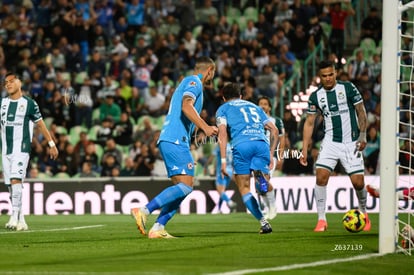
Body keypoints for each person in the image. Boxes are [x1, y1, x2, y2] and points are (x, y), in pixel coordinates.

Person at [131, 56, 217, 239]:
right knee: (186, 186)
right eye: (213, 73)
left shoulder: (186, 82)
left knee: (181, 188)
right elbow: (187, 106)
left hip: (174, 139)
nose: (212, 78)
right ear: (209, 70)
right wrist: (206, 127)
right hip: (175, 139)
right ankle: (144, 210)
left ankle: (158, 228)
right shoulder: (195, 81)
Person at [299, 60, 371, 232]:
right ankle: (321, 220)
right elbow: (309, 123)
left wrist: (363, 135)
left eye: (331, 74)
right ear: (320, 77)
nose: (328, 78)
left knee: (358, 182)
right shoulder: (316, 96)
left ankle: (364, 213)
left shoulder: (348, 88)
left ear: (335, 73)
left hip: (351, 142)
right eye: (324, 76)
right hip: (331, 141)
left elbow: (361, 110)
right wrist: (304, 148)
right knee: (321, 177)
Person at [216, 83, 278, 234]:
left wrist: (223, 161)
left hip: (242, 145)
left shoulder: (223, 109)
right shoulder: (255, 107)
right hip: (261, 144)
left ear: (224, 98)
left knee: (244, 188)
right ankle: (262, 185)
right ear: (241, 96)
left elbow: (222, 135)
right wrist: (270, 153)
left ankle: (264, 222)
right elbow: (274, 131)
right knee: (261, 182)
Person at [2, 72, 59, 231]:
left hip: (21, 149)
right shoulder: (2, 103)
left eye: (12, 81)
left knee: (15, 180)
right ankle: (21, 219)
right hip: (5, 151)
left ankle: (13, 217)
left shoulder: (29, 104)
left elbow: (41, 125)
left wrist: (51, 143)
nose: (8, 84)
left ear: (20, 83)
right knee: (11, 186)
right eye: (6, 82)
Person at [257, 96, 285, 220]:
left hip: (270, 155)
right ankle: (268, 208)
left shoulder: (276, 121)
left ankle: (273, 207)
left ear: (269, 107)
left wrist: (280, 157)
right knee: (259, 185)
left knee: (264, 181)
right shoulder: (254, 120)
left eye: (265, 104)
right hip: (256, 155)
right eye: (260, 104)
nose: (262, 106)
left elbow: (282, 140)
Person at [212, 143, 237, 213]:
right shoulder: (231, 146)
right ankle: (219, 209)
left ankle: (230, 202)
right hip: (229, 171)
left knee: (220, 191)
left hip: (222, 171)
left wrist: (206, 165)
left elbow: (212, 156)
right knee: (222, 191)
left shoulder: (220, 145)